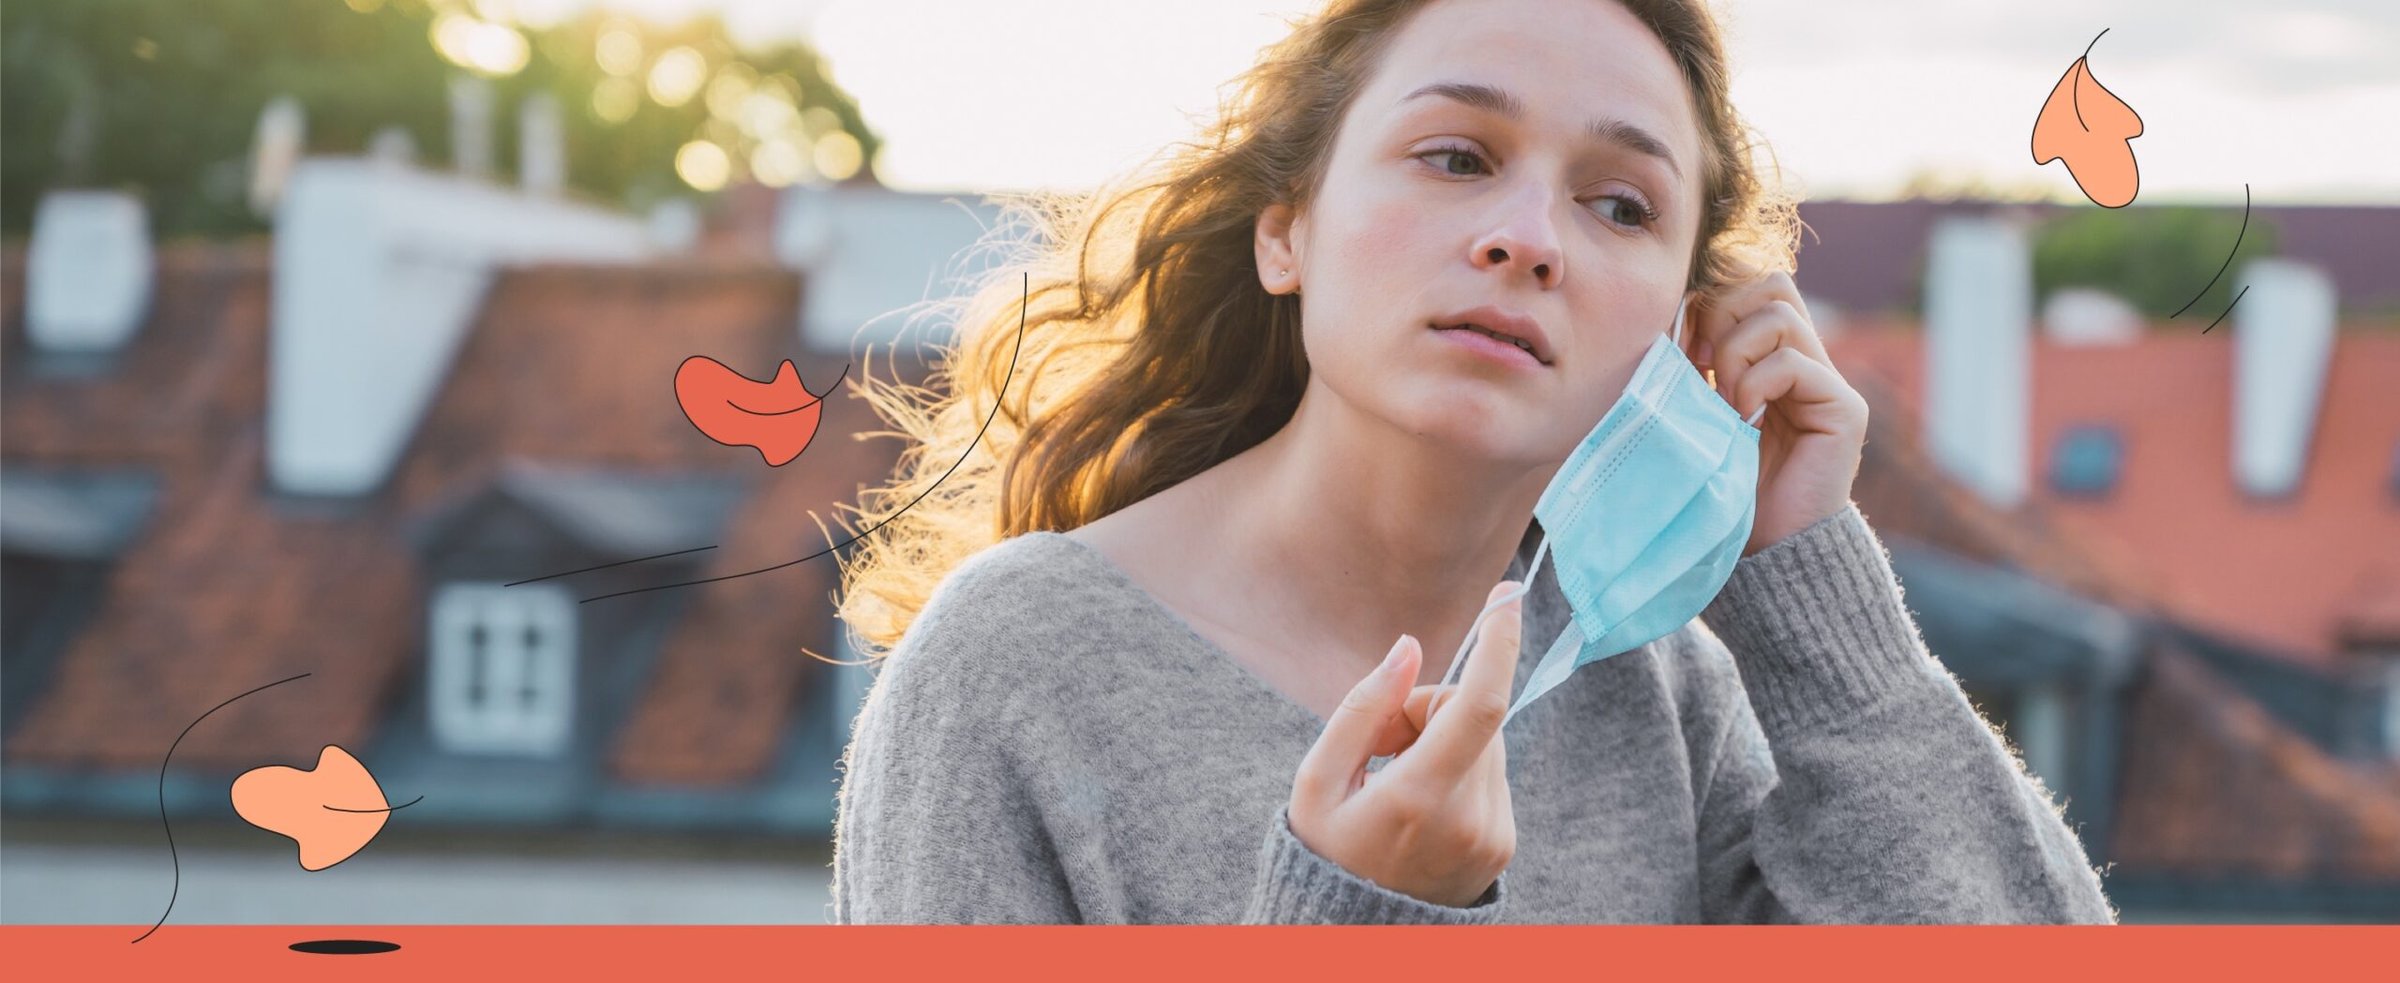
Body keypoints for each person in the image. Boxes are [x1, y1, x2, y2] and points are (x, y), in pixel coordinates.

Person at [824, 0, 2118, 924]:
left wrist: (1809, 589)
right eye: (1456, 156)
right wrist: (1367, 917)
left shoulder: (1667, 696)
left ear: (1681, 324)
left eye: (1621, 205)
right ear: (1288, 231)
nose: (1527, 237)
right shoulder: (1011, 675)